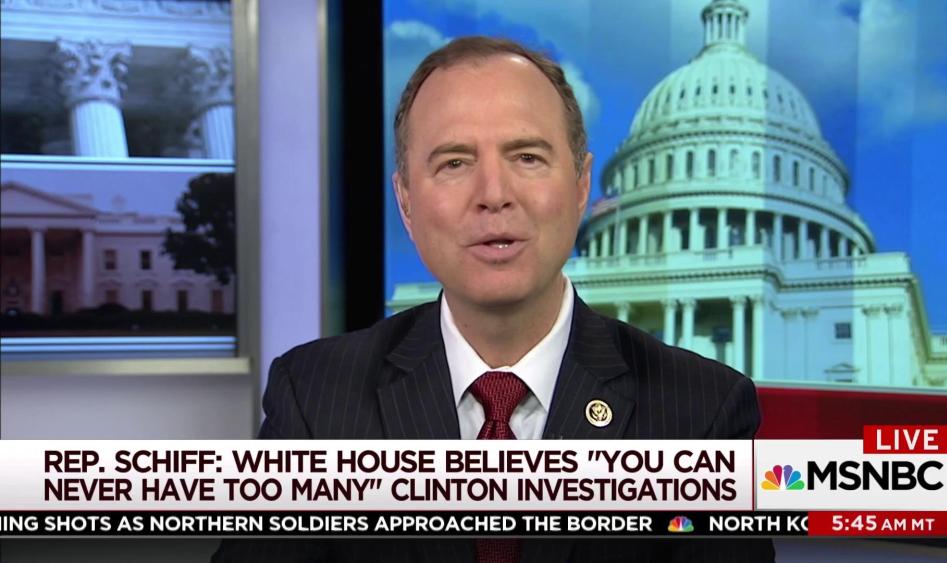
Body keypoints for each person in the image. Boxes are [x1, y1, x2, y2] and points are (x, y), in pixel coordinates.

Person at [214, 36, 774, 563]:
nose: (494, 195)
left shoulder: (701, 413)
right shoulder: (314, 400)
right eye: (454, 162)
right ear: (405, 201)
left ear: (582, 186)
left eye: (526, 157)